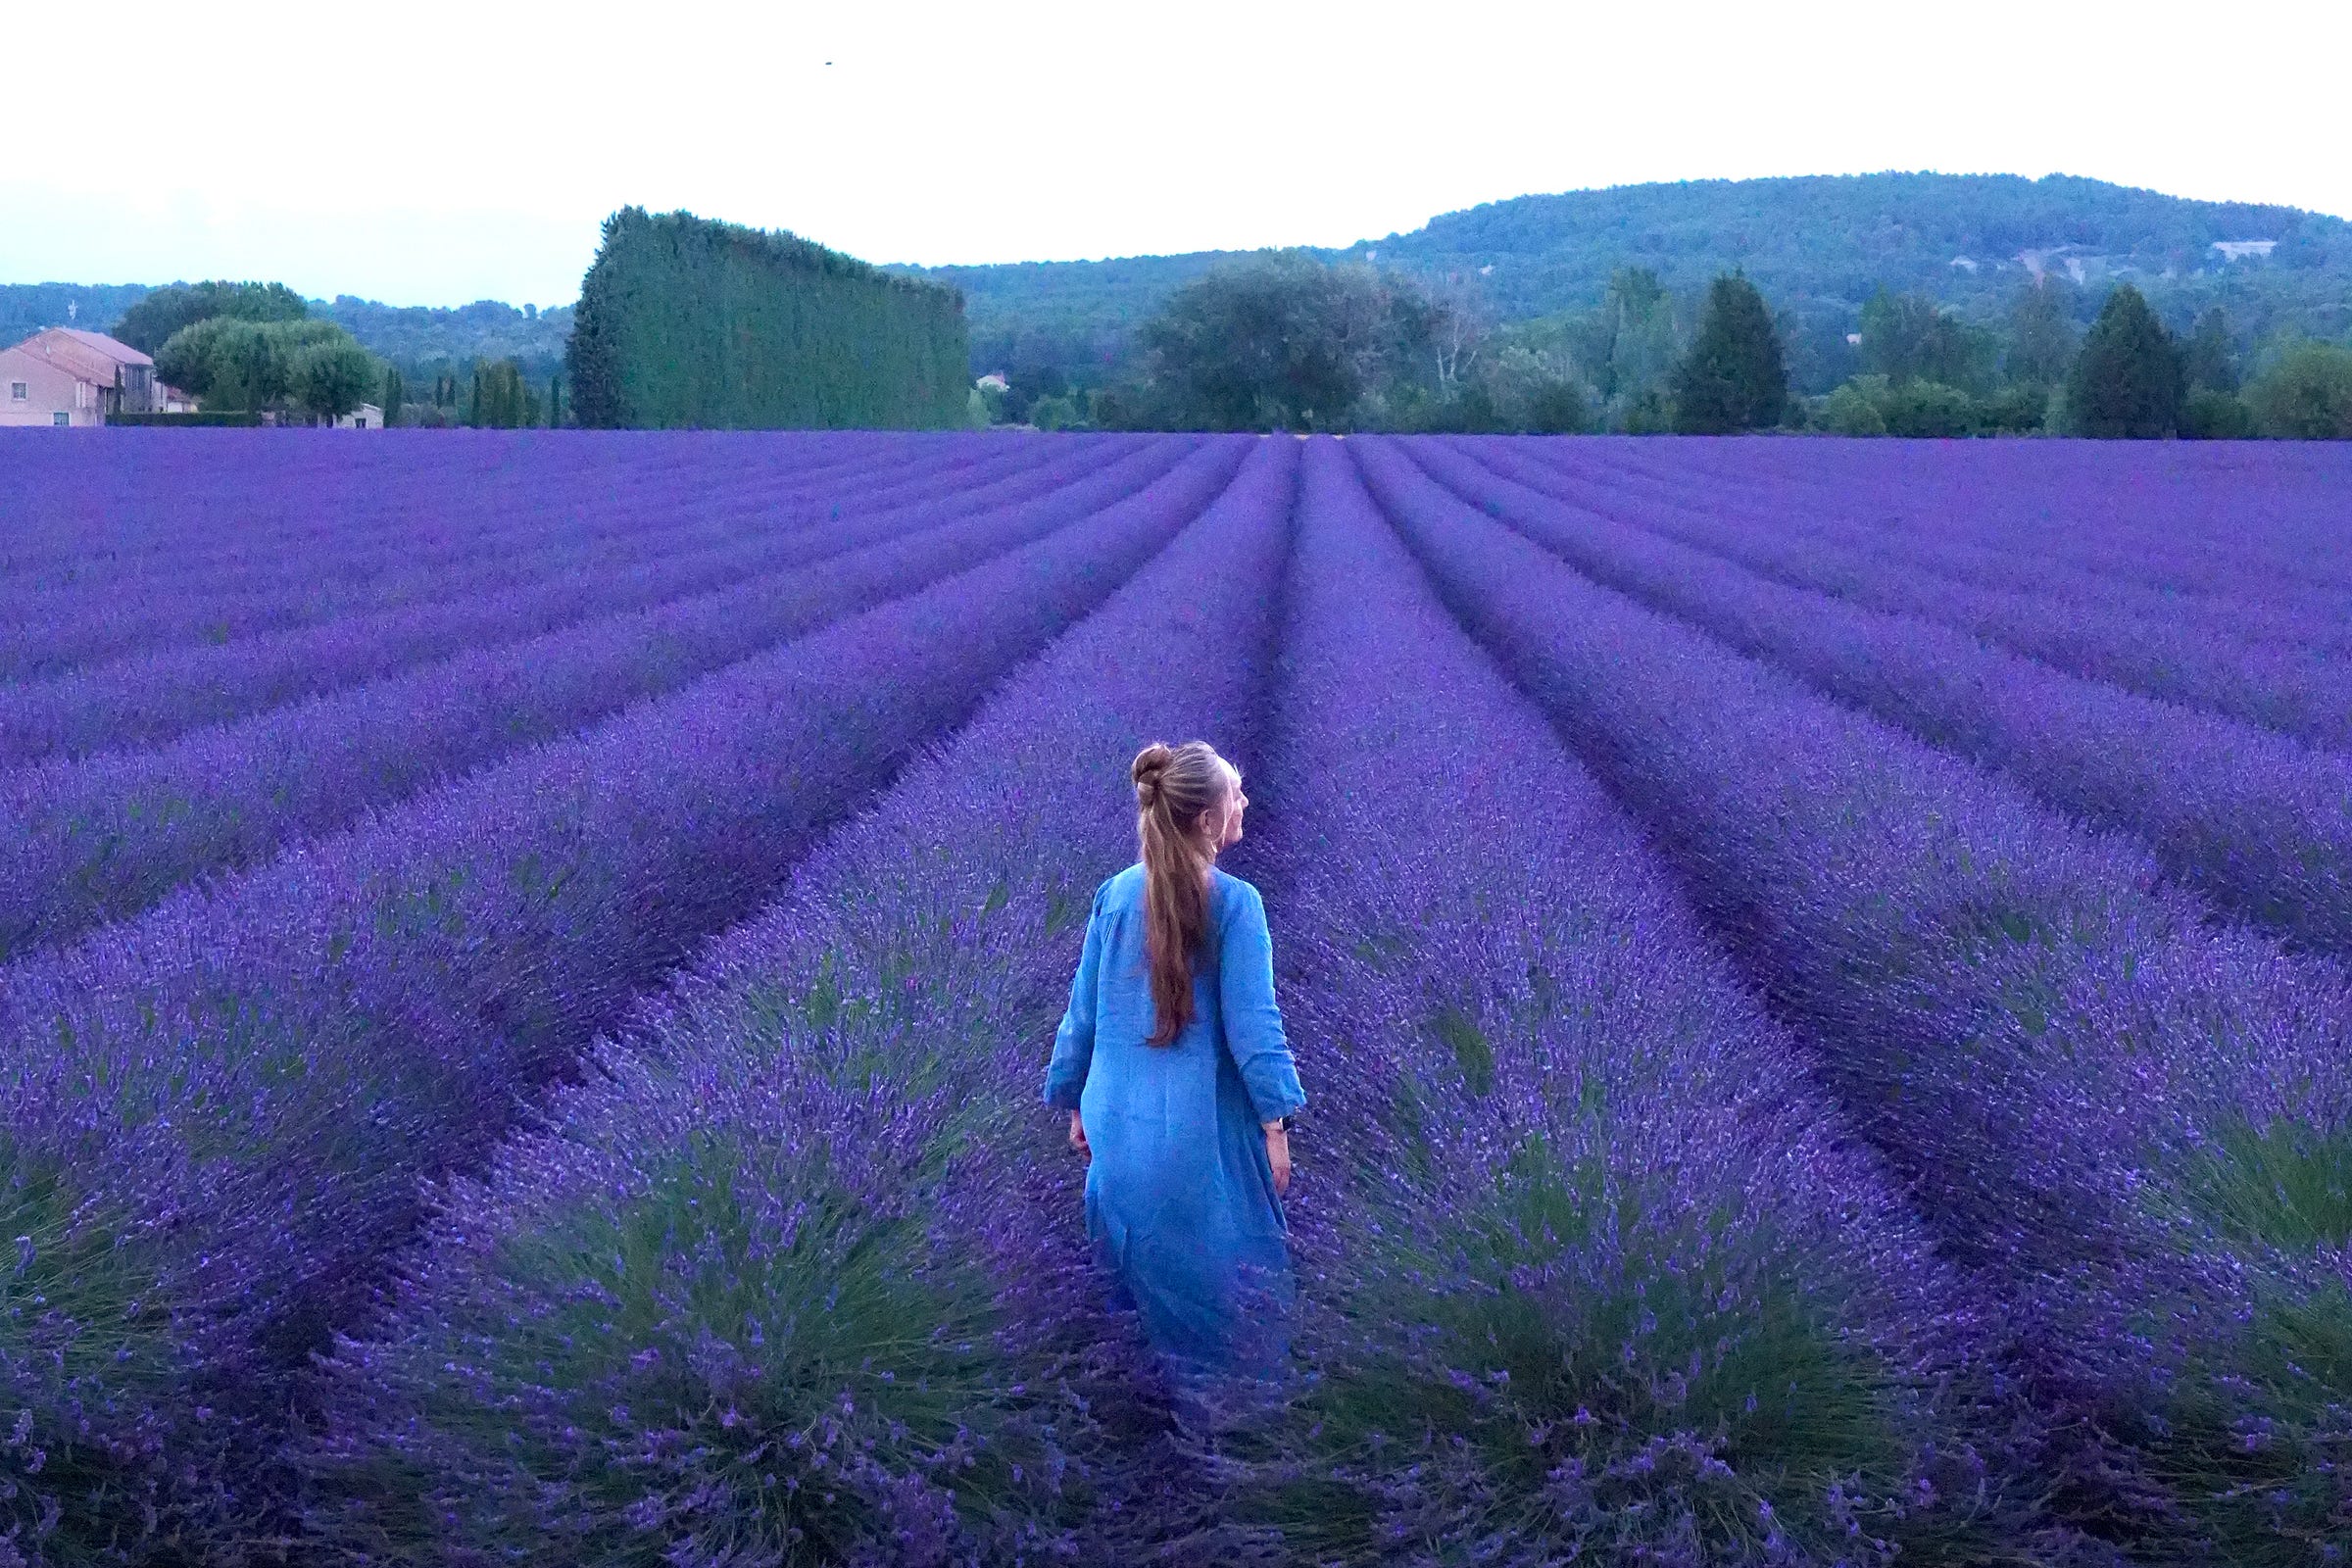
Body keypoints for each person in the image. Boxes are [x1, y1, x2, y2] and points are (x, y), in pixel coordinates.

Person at [1043, 740, 1305, 1373]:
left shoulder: (1113, 895)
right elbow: (1256, 1030)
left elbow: (1082, 1015)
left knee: (1130, 1294)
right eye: (1236, 793)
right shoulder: (1236, 904)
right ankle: (1229, 1417)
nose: (1246, 802)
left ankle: (1133, 1410)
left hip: (1115, 1130)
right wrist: (1277, 1125)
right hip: (1199, 1137)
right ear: (1207, 820)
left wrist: (1074, 1103)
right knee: (1230, 1306)